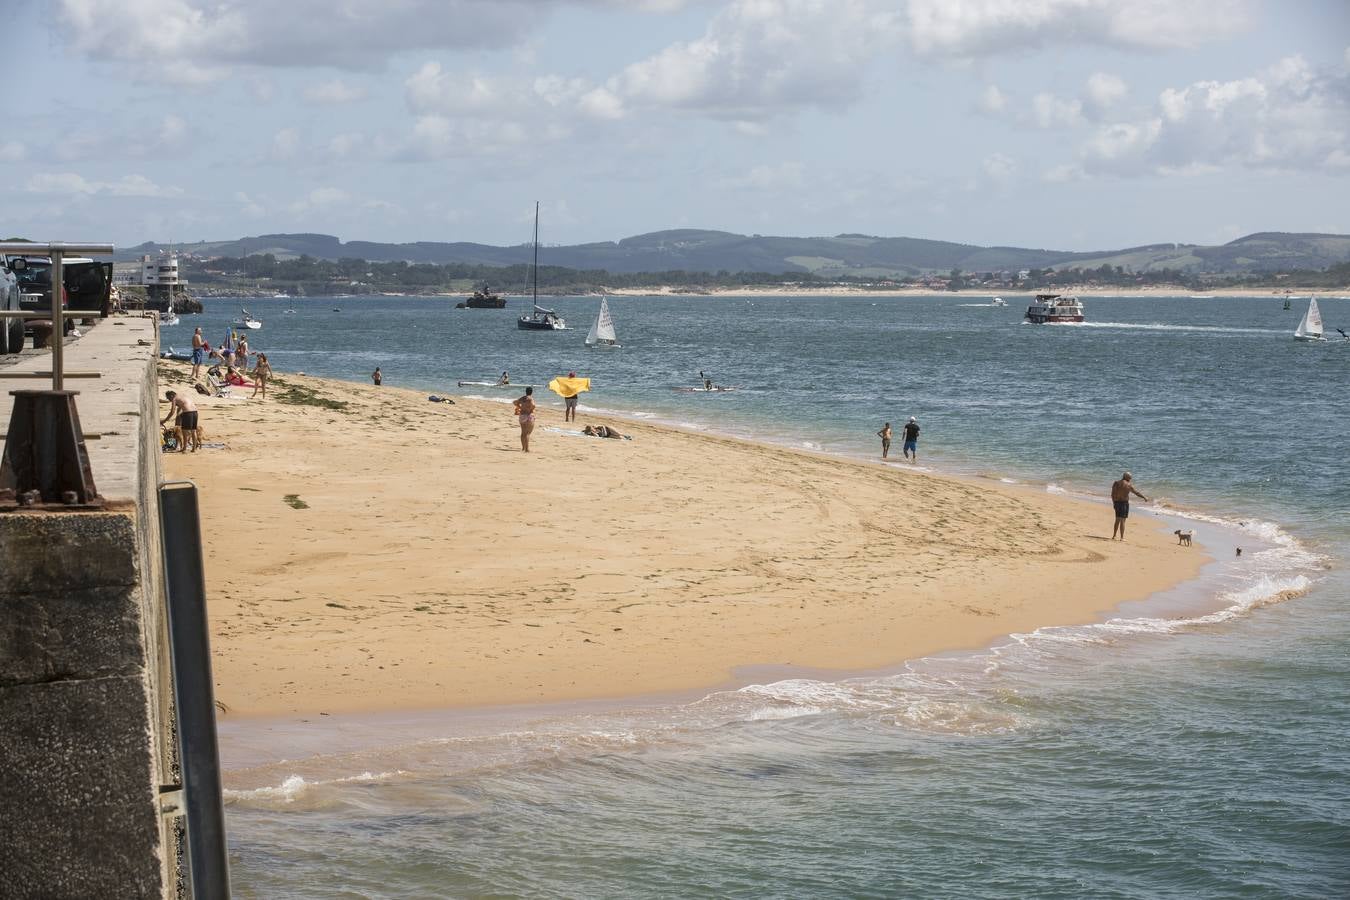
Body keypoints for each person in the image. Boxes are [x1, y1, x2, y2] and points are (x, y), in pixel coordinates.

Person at [1110, 471, 1150, 541]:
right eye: (1130, 478)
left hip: (1117, 503)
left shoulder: (1116, 483)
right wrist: (1144, 497)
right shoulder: (1128, 485)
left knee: (1117, 519)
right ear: (1126, 477)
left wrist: (1114, 503)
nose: (1130, 479)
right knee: (1123, 521)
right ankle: (1122, 538)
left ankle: (1114, 536)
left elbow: (1112, 494)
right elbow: (1136, 493)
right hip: (1124, 503)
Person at [513, 386, 536, 452]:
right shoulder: (531, 398)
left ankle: (523, 448)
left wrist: (520, 407)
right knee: (528, 433)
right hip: (529, 416)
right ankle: (527, 449)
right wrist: (531, 409)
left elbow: (514, 402)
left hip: (522, 415)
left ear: (526, 392)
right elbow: (533, 405)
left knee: (523, 433)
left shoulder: (522, 398)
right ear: (531, 392)